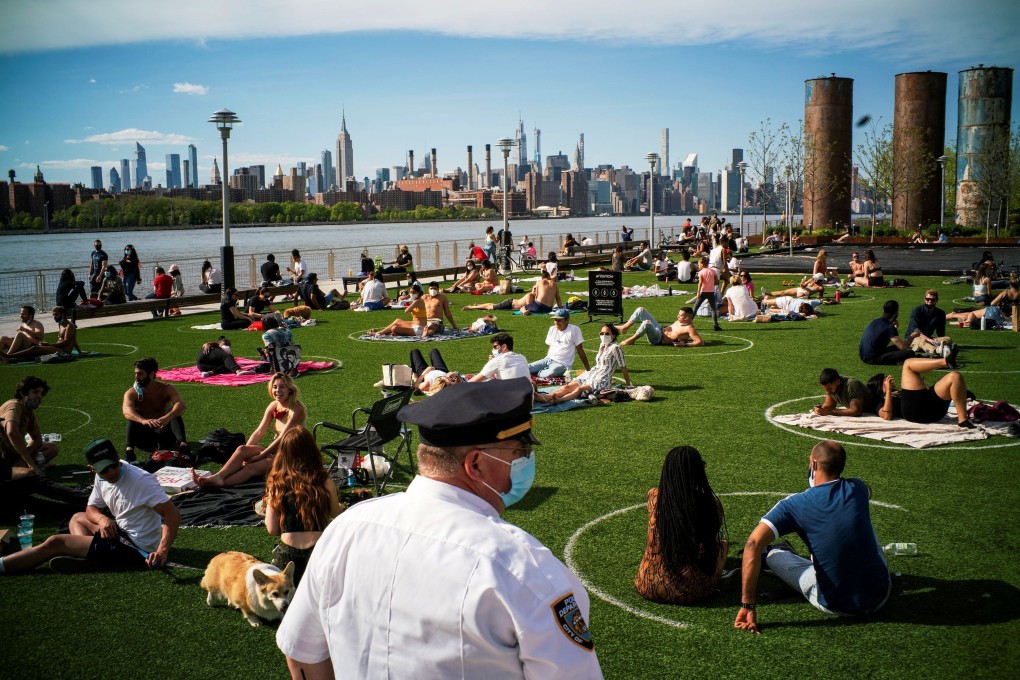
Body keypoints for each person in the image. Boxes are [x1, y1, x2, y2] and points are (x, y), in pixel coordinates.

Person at [277, 379, 603, 678]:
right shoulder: (527, 572)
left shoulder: (346, 529)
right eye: (521, 452)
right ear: (475, 464)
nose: (527, 460)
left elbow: (302, 653)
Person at [736, 442, 891, 636]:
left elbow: (752, 545)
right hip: (881, 594)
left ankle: (780, 551)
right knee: (862, 523)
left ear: (814, 465)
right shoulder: (857, 487)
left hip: (837, 603)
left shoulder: (793, 505)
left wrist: (747, 605)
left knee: (773, 556)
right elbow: (867, 491)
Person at [0, 438, 180, 575]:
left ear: (117, 456)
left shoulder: (142, 481)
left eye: (113, 465)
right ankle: (92, 558)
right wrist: (102, 519)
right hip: (121, 533)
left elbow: (171, 514)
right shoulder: (101, 477)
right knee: (77, 517)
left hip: (139, 548)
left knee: (56, 542)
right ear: (92, 468)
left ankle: (2, 565)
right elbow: (91, 509)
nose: (111, 472)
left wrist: (162, 550)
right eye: (103, 469)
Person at [635, 446, 728, 605]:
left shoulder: (654, 497)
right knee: (723, 545)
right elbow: (709, 544)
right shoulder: (710, 505)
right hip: (689, 593)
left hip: (646, 584)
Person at [194, 372, 306, 488]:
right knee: (242, 449)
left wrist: (261, 455)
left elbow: (282, 437)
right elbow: (259, 431)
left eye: (282, 387)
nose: (277, 390)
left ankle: (217, 484)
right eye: (275, 387)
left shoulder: (297, 409)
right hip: (275, 450)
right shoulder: (274, 405)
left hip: (291, 455)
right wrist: (247, 451)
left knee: (250, 468)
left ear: (290, 390)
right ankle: (218, 476)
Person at [263, 426, 340, 585]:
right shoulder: (324, 481)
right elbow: (335, 513)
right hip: (320, 550)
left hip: (289, 555)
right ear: (312, 450)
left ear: (283, 454)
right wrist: (343, 506)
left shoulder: (277, 484)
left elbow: (272, 529)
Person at [869, 355, 973, 428]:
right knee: (908, 364)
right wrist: (888, 391)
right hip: (915, 413)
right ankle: (945, 361)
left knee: (954, 377)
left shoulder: (899, 392)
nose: (889, 380)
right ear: (879, 388)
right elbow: (886, 416)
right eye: (885, 380)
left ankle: (963, 420)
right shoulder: (879, 402)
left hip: (935, 411)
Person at [535, 324, 630, 404]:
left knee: (579, 389)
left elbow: (623, 367)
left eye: (607, 333)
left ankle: (560, 400)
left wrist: (628, 385)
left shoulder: (615, 348)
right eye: (601, 333)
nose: (603, 335)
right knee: (567, 387)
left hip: (602, 379)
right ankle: (545, 397)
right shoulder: (602, 345)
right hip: (592, 373)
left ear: (613, 335)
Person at [122, 358, 188, 462]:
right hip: (144, 438)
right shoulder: (132, 392)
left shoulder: (167, 388)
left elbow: (181, 405)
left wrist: (167, 418)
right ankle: (129, 452)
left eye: (140, 374)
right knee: (135, 414)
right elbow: (126, 411)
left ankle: (183, 446)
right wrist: (143, 421)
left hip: (165, 435)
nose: (136, 377)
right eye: (135, 374)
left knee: (173, 410)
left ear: (152, 374)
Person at [1, 376, 60, 479]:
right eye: (35, 392)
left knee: (51, 448)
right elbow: (12, 433)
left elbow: (37, 439)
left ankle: (22, 466)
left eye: (41, 393)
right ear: (23, 393)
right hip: (3, 459)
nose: (40, 396)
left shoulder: (28, 411)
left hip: (14, 455)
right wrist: (30, 463)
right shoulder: (14, 406)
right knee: (29, 474)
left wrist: (23, 458)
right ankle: (35, 468)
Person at [462, 269, 561, 315]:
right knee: (490, 307)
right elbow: (557, 298)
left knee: (492, 305)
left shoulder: (536, 290)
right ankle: (472, 307)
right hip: (510, 303)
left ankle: (477, 305)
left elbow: (537, 296)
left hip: (517, 303)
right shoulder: (532, 295)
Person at [2, 307, 80, 362]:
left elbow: (66, 341)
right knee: (4, 338)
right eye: (53, 315)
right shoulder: (61, 324)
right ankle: (9, 357)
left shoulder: (70, 325)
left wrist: (50, 345)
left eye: (56, 315)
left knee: (35, 349)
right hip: (58, 348)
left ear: (63, 314)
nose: (54, 317)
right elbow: (73, 338)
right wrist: (80, 351)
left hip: (63, 350)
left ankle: (8, 356)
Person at [528, 309, 590, 378]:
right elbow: (550, 346)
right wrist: (547, 358)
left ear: (567, 320)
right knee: (528, 367)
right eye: (555, 320)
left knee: (552, 372)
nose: (556, 323)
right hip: (548, 359)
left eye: (559, 320)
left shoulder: (574, 330)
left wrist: (588, 369)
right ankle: (538, 371)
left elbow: (580, 350)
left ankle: (537, 373)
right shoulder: (552, 329)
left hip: (562, 364)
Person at [946, 277, 1020, 328]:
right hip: (1005, 318)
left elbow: (992, 303)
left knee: (973, 314)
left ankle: (952, 315)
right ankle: (954, 315)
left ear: (1010, 285)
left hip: (996, 311)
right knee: (974, 316)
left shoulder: (1005, 293)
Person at [859, 300, 915, 365]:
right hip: (873, 358)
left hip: (863, 355)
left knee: (895, 348)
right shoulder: (889, 326)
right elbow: (903, 347)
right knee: (910, 353)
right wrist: (913, 336)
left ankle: (898, 361)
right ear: (896, 313)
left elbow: (883, 340)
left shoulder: (875, 321)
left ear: (883, 310)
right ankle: (898, 362)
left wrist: (895, 328)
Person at [617, 306, 704, 347]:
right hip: (659, 328)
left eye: (680, 315)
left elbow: (700, 342)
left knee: (646, 323)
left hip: (658, 339)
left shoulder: (689, 328)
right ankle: (625, 327)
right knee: (641, 310)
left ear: (687, 318)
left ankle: (630, 340)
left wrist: (685, 344)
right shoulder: (680, 320)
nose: (677, 316)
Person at [905, 289, 952, 356]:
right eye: (927, 299)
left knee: (948, 339)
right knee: (921, 341)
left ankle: (929, 346)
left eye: (932, 300)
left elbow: (941, 331)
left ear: (936, 300)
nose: (929, 301)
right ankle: (936, 350)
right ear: (924, 299)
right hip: (913, 338)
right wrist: (928, 339)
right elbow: (915, 330)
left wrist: (940, 340)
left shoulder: (940, 313)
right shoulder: (916, 310)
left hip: (929, 338)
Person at [696, 256, 722, 331]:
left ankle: (689, 323)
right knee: (713, 309)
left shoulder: (701, 272)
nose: (698, 265)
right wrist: (711, 284)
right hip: (711, 292)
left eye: (699, 264)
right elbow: (717, 281)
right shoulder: (713, 271)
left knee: (696, 307)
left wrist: (698, 292)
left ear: (702, 264)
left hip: (703, 292)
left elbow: (700, 283)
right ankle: (715, 325)